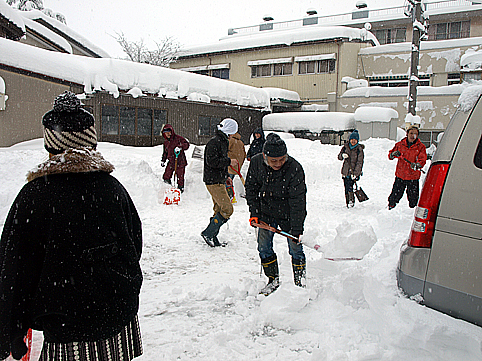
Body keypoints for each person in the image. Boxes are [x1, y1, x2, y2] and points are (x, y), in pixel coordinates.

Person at [0, 91, 143, 361]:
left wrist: (10, 333)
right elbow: (134, 246)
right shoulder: (113, 188)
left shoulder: (35, 195)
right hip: (118, 318)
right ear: (91, 144)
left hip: (68, 328)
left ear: (50, 146)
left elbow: (13, 271)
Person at [245, 133, 307, 295]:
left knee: (295, 249)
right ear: (265, 156)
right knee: (264, 247)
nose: (278, 163)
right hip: (265, 211)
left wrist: (296, 228)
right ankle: (273, 280)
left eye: (282, 159)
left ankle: (300, 284)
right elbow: (251, 189)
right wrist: (255, 213)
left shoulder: (294, 168)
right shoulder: (257, 163)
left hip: (288, 213)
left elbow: (298, 201)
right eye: (274, 160)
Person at [201, 118, 239, 247]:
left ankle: (212, 236)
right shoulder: (215, 142)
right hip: (213, 181)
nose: (234, 135)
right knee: (227, 209)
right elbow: (212, 162)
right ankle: (208, 233)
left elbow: (219, 161)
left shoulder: (222, 141)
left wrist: (226, 176)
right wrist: (229, 162)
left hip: (218, 179)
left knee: (218, 209)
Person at [388, 124, 427, 209]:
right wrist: (393, 154)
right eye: (411, 133)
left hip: (413, 177)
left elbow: (422, 159)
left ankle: (412, 212)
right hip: (401, 175)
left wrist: (417, 165)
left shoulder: (421, 147)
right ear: (407, 134)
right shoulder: (400, 144)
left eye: (415, 134)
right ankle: (390, 208)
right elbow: (390, 156)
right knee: (395, 195)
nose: (413, 136)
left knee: (413, 198)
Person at [337, 130, 364, 208]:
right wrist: (343, 155)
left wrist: (355, 174)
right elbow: (339, 157)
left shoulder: (359, 150)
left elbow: (360, 163)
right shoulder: (345, 147)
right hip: (345, 171)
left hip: (353, 173)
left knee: (350, 187)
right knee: (346, 187)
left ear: (357, 141)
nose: (353, 141)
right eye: (352, 139)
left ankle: (351, 202)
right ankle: (347, 201)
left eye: (355, 140)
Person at [161, 124, 190, 193]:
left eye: (169, 132)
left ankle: (180, 190)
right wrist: (163, 160)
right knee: (166, 176)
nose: (168, 134)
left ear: (172, 132)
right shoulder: (166, 142)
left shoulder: (178, 138)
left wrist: (180, 146)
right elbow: (165, 152)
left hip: (180, 161)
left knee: (180, 177)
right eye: (166, 132)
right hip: (171, 162)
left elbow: (187, 145)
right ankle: (169, 188)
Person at [226, 132, 246, 201]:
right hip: (237, 166)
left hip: (230, 165)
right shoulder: (241, 143)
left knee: (227, 182)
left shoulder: (230, 141)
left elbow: (224, 151)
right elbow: (244, 155)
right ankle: (231, 196)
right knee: (230, 181)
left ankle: (230, 197)